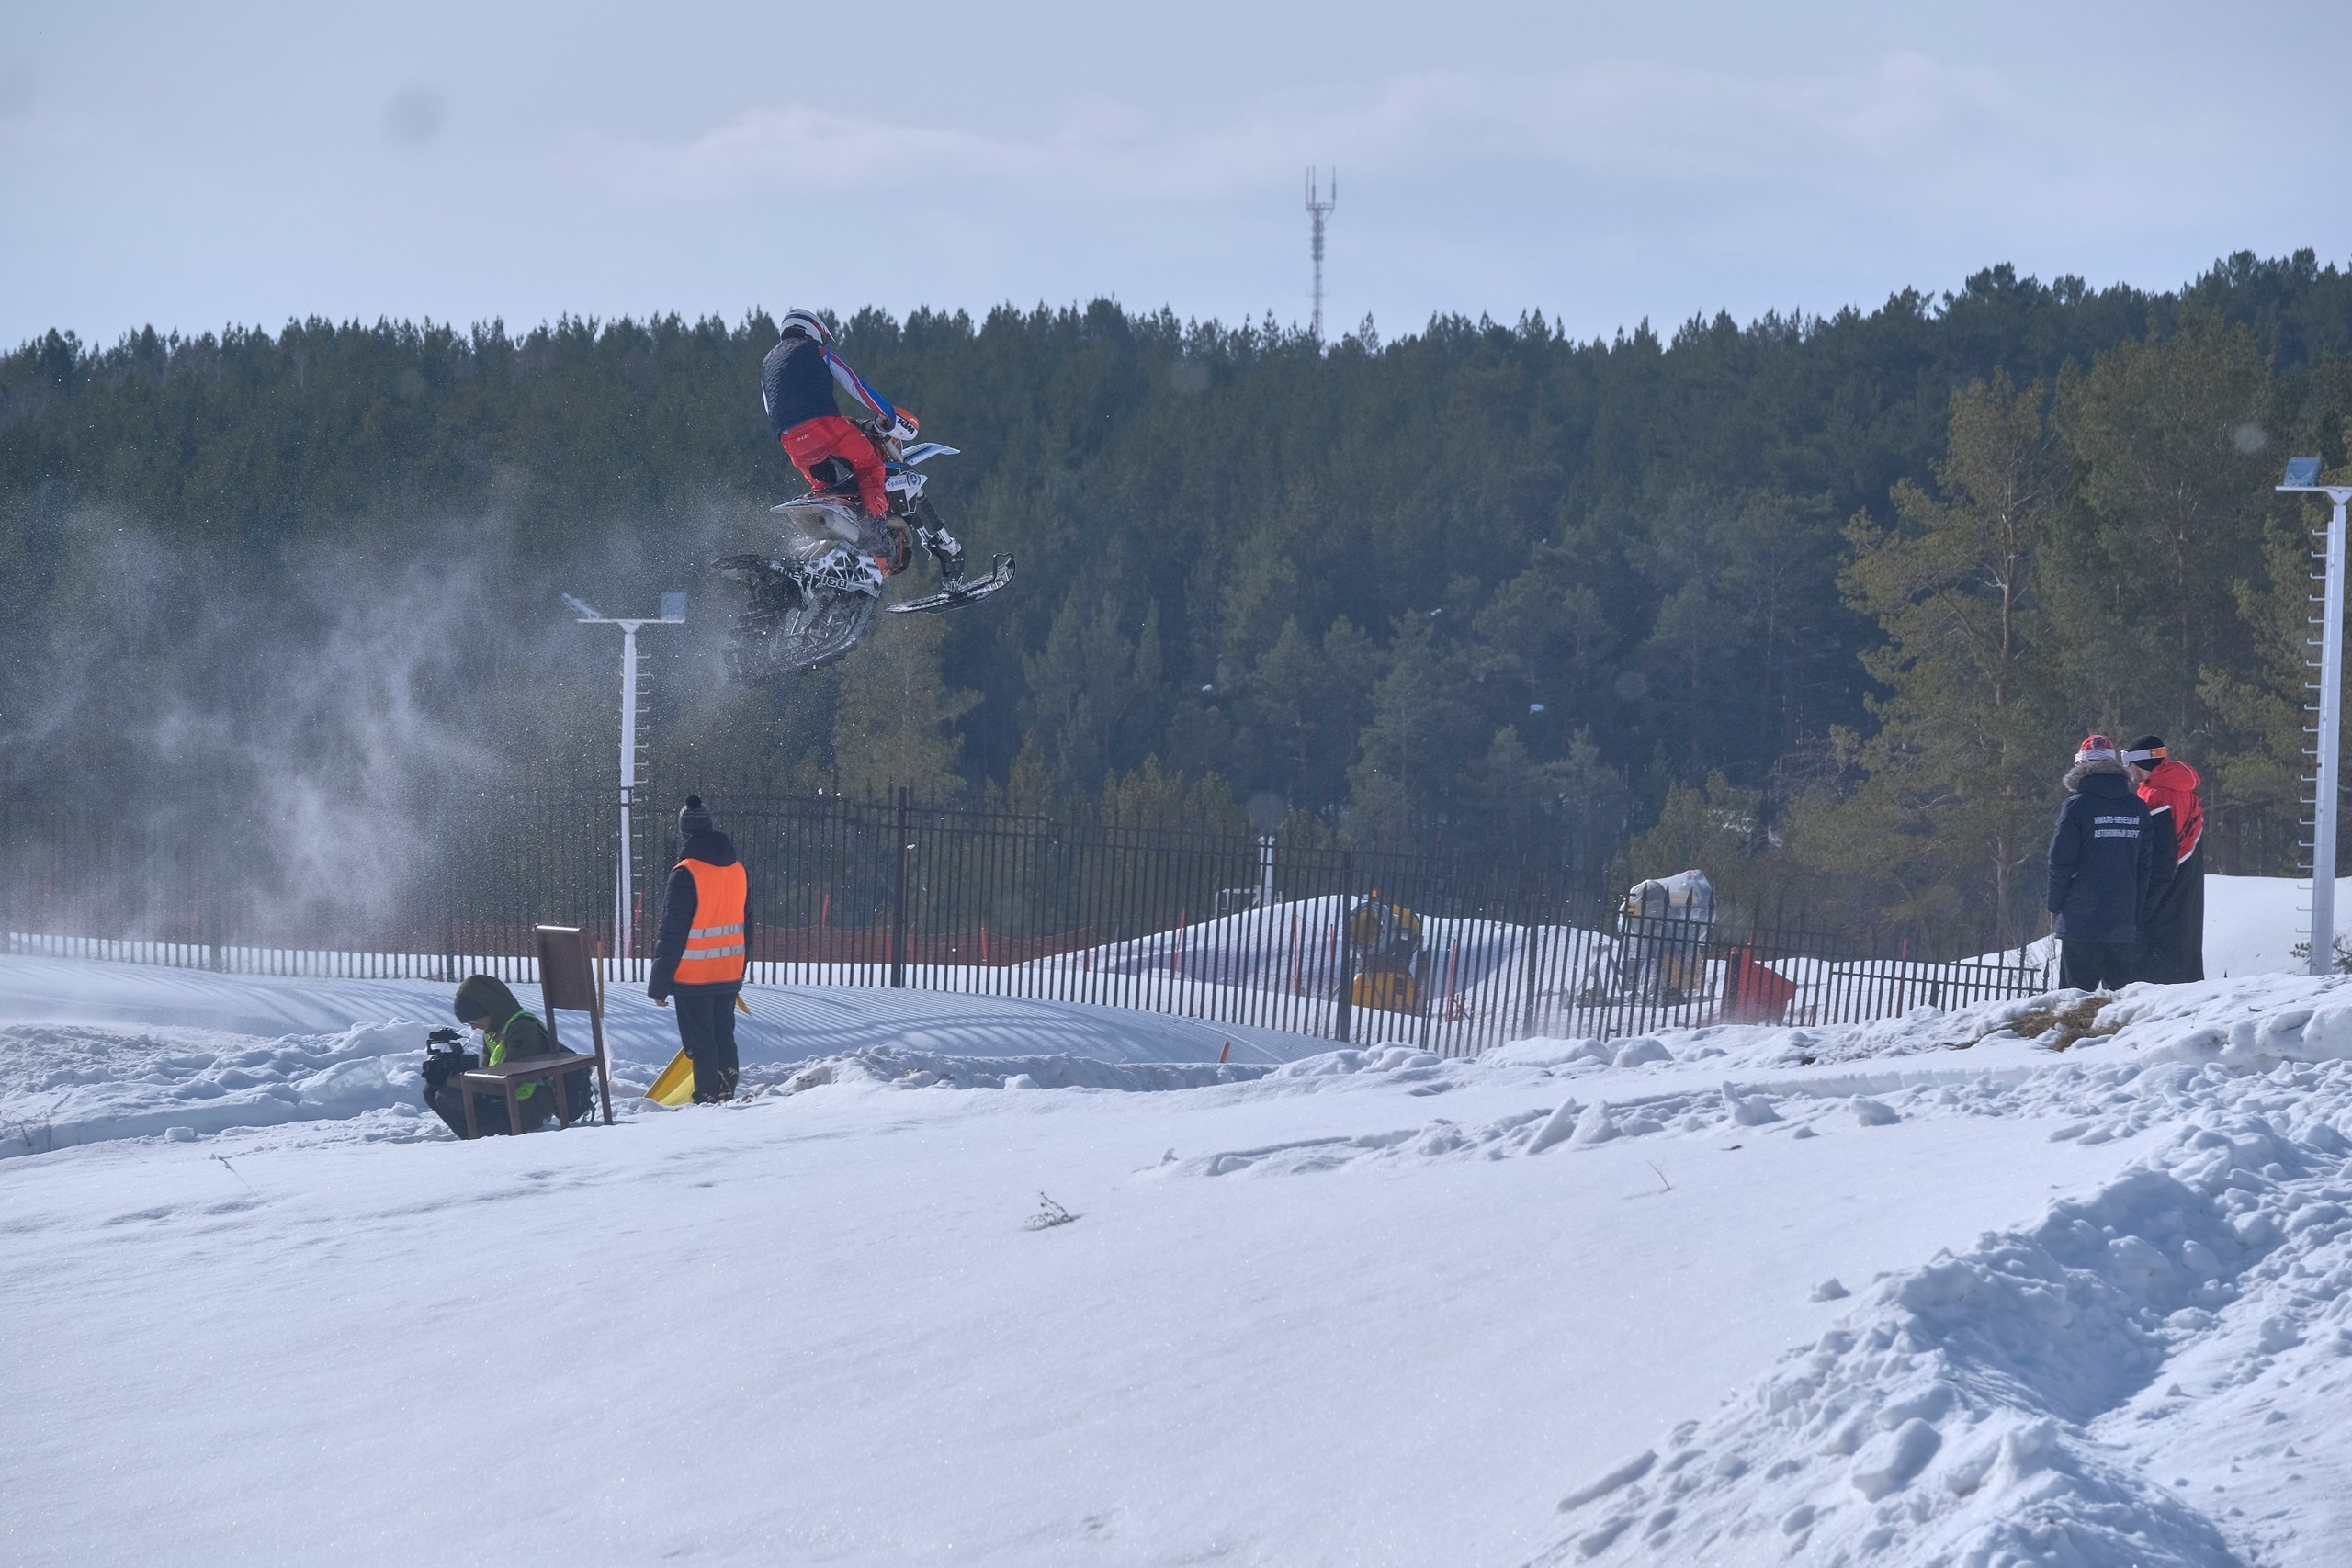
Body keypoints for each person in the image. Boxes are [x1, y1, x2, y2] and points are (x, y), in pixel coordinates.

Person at [760, 308, 919, 522]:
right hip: (824, 428)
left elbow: (770, 409)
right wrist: (887, 413)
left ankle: (834, 532)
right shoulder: (816, 350)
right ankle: (876, 522)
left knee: (826, 488)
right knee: (870, 467)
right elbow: (856, 385)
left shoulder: (768, 363)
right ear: (814, 329)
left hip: (790, 441)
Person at [648, 795, 749, 1102]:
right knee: (723, 1034)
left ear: (683, 832)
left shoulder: (685, 873)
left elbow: (672, 930)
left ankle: (707, 1096)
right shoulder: (737, 869)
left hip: (693, 975)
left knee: (700, 1041)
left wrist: (659, 985)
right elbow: (748, 922)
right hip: (728, 969)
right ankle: (725, 1090)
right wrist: (741, 967)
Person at [2045, 733, 2156, 992]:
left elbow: (2060, 861)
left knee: (2073, 1004)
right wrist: (2134, 911)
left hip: (2080, 922)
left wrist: (2056, 904)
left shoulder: (2075, 807)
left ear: (2082, 766)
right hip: (2122, 922)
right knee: (2120, 1007)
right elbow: (2144, 867)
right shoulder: (2138, 808)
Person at [424, 973, 561, 1138]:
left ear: (489, 1009)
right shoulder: (493, 1030)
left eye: (474, 1021)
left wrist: (452, 1079)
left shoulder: (522, 1029)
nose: (474, 1028)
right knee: (432, 1091)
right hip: (507, 1097)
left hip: (529, 1105)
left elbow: (510, 1079)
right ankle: (475, 1139)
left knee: (449, 1095)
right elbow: (488, 1072)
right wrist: (455, 1071)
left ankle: (489, 1140)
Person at [2123, 734, 2205, 984]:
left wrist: (2142, 911)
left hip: (2165, 887)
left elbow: (2161, 855)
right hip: (2188, 878)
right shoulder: (2182, 788)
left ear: (2141, 763)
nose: (2127, 769)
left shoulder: (2156, 796)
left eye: (2128, 761)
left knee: (2159, 961)